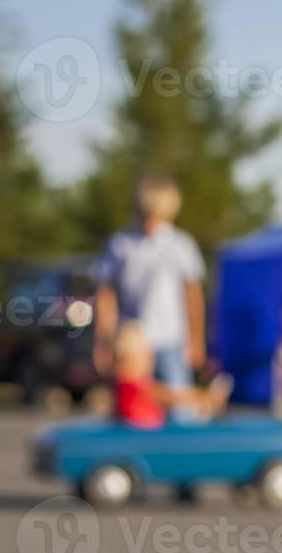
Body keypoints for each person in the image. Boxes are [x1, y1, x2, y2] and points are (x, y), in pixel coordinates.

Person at [93, 175, 207, 420]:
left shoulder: (181, 244)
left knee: (180, 412)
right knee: (132, 410)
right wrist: (103, 340)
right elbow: (106, 295)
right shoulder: (120, 244)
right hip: (131, 344)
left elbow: (192, 296)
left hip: (171, 340)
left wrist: (196, 339)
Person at [113, 323, 230, 428]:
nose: (151, 362)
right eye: (146, 357)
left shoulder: (121, 386)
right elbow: (171, 397)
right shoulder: (138, 388)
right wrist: (203, 396)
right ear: (132, 360)